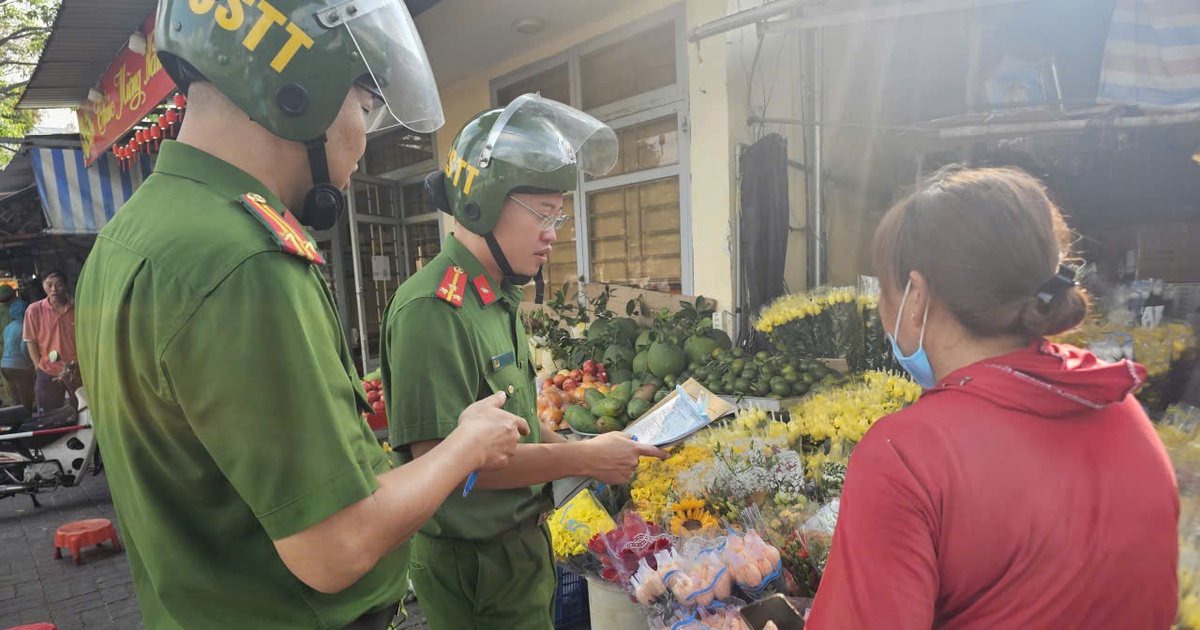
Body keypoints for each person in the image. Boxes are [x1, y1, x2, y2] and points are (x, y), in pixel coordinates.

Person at [74, 1, 528, 628]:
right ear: (300, 92)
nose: (365, 138)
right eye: (365, 106)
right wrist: (466, 445)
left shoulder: (127, 237)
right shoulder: (243, 259)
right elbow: (337, 546)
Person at [805, 166, 1178, 628]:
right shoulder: (1121, 409)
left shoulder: (906, 456)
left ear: (916, 294)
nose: (882, 308)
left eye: (886, 289)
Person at [381, 95, 669, 630]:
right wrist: (584, 459)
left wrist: (593, 450)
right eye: (542, 214)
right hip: (475, 569)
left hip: (519, 552)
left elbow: (521, 431)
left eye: (558, 216)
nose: (553, 233)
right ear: (483, 206)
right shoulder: (432, 310)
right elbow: (446, 466)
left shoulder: (497, 298)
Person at [24, 271, 76, 412]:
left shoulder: (77, 308)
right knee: (48, 415)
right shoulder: (34, 310)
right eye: (49, 285)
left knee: (83, 411)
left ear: (66, 285)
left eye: (59, 284)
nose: (54, 289)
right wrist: (38, 367)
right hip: (48, 371)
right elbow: (31, 341)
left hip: (76, 371)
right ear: (43, 285)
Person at [2, 299, 34, 413]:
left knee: (16, 396)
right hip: (19, 366)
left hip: (5, 366)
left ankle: (17, 417)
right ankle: (27, 418)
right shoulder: (25, 326)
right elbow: (25, 347)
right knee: (26, 396)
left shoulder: (8, 328)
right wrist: (30, 362)